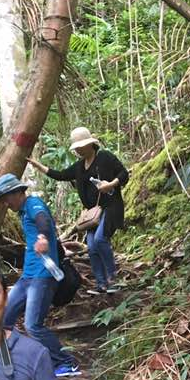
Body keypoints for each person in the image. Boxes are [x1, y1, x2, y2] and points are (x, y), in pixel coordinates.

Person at [0, 172, 81, 379]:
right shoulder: (23, 212)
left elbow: (43, 220)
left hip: (43, 276)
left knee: (32, 325)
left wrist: (42, 237)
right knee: (4, 320)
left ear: (16, 192)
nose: (6, 203)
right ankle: (14, 360)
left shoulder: (33, 204)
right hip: (28, 276)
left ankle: (66, 363)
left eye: (6, 197)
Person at [28, 126, 130, 296]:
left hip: (110, 207)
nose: (79, 150)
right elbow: (60, 175)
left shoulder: (104, 157)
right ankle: (101, 283)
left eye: (81, 146)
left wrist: (110, 184)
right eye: (77, 147)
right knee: (91, 246)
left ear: (90, 144)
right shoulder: (79, 166)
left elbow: (123, 173)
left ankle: (114, 278)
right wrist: (37, 165)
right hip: (93, 213)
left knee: (100, 239)